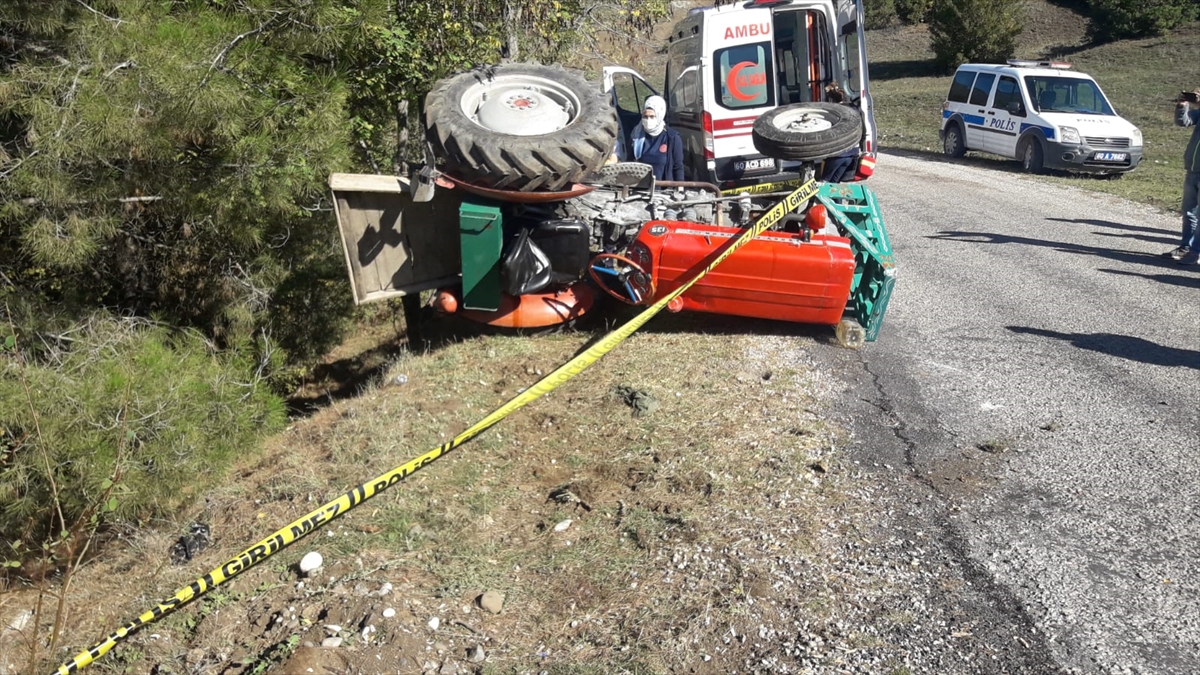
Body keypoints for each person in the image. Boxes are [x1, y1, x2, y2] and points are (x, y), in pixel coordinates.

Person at [1166, 90, 1200, 265]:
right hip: (1193, 170)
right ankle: (1185, 247)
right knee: (1189, 212)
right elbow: (1183, 121)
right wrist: (1182, 105)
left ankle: (1196, 253)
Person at [630, 95, 684, 182]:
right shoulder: (636, 136)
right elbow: (630, 161)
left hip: (663, 191)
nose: (648, 120)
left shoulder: (672, 137)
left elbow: (678, 166)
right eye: (645, 116)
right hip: (640, 189)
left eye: (652, 116)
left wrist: (680, 188)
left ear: (659, 115)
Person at [821, 83, 860, 183]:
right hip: (852, 154)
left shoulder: (833, 113)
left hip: (837, 155)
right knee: (836, 184)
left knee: (825, 182)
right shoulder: (854, 110)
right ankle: (837, 199)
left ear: (831, 99)